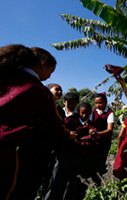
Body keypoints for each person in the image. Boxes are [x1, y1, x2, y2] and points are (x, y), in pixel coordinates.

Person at [0, 45, 77, 200]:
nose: (49, 76)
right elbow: (53, 127)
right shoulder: (38, 91)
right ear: (42, 64)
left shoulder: (6, 77)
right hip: (6, 149)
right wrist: (68, 134)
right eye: (51, 71)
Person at [45, 102, 94, 200]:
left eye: (86, 113)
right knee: (59, 183)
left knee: (74, 186)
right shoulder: (71, 121)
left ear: (90, 113)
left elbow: (94, 139)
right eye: (82, 113)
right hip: (67, 156)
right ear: (79, 112)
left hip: (81, 158)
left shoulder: (92, 125)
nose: (84, 115)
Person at [87, 92, 115, 184]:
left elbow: (109, 130)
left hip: (104, 143)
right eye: (96, 103)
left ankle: (98, 185)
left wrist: (97, 133)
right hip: (93, 142)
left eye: (100, 103)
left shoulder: (110, 113)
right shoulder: (93, 112)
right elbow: (90, 124)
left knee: (100, 165)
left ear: (105, 102)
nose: (97, 105)